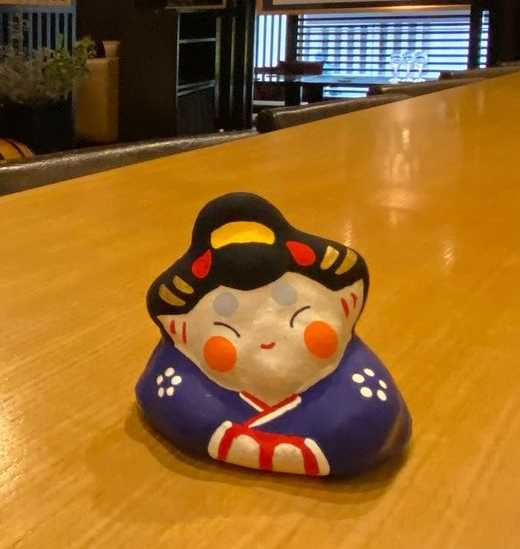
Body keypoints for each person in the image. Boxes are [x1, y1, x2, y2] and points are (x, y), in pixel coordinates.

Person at [136, 192, 411, 477]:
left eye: (298, 316)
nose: (267, 337)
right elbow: (170, 403)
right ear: (178, 330)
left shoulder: (353, 374)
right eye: (231, 329)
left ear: (347, 305)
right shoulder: (181, 376)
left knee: (359, 428)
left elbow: (372, 425)